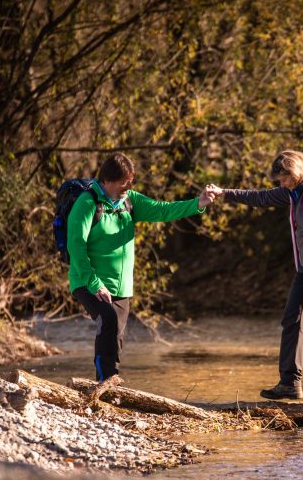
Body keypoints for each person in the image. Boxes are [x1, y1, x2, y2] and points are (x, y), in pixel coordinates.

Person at [206, 150, 303, 403]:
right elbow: (260, 197)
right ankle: (289, 383)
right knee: (293, 321)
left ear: (295, 171)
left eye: (283, 178)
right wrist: (224, 192)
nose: (281, 183)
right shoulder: (294, 192)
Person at [68, 152, 216, 381]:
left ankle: (110, 381)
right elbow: (75, 247)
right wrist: (94, 283)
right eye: (124, 181)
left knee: (115, 334)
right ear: (108, 180)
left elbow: (162, 209)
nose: (129, 185)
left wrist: (198, 203)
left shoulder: (130, 201)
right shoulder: (87, 203)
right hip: (88, 280)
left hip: (121, 285)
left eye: (131, 180)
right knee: (107, 321)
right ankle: (106, 381)